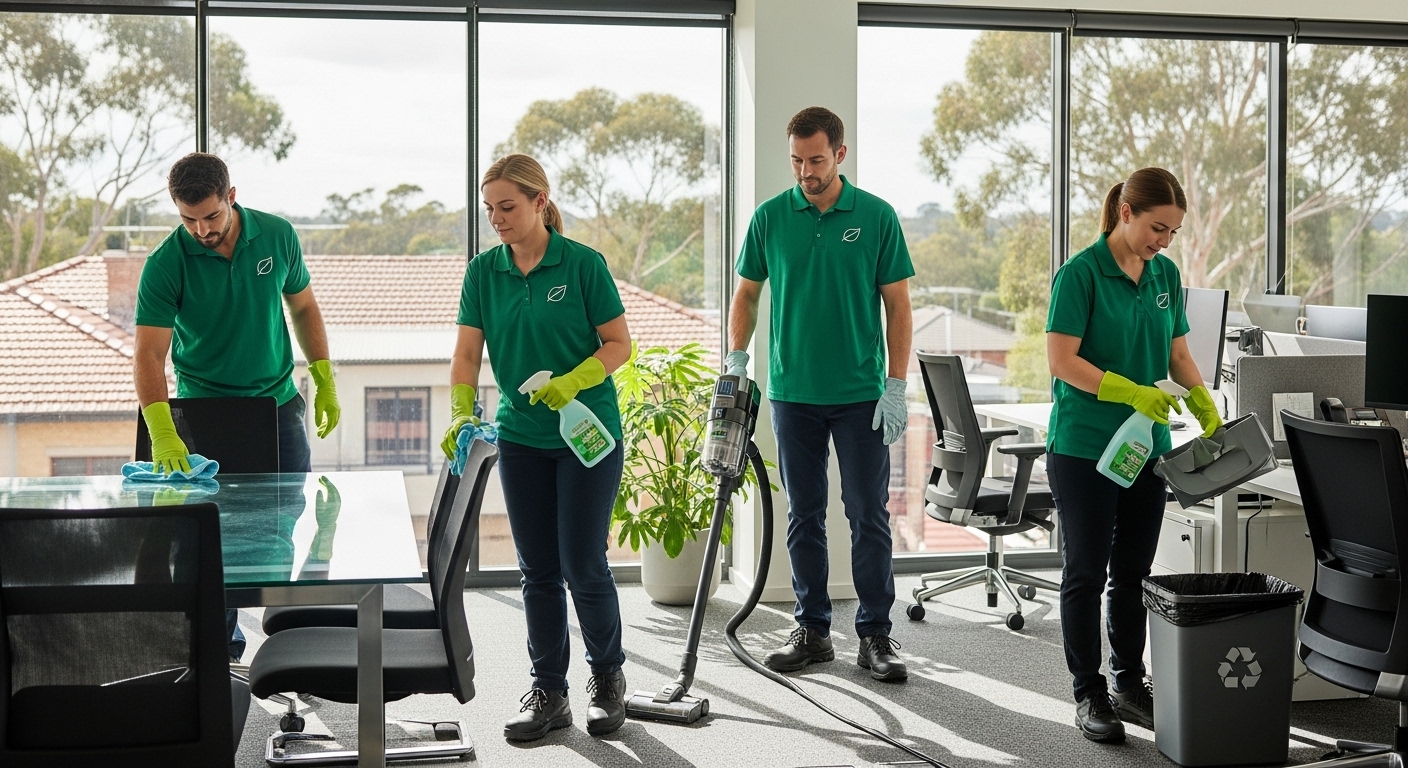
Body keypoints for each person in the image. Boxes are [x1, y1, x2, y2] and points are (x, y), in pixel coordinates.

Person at [444, 153, 632, 741]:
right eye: (489, 209)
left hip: (586, 436)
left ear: (539, 202)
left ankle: (608, 680)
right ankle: (549, 691)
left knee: (583, 562)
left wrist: (574, 379)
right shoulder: (484, 272)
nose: (496, 218)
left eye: (507, 206)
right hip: (522, 437)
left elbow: (618, 343)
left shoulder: (581, 264)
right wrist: (461, 410)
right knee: (538, 570)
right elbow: (467, 354)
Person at [725, 106, 914, 682]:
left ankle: (876, 635)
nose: (805, 172)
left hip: (861, 395)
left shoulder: (877, 216)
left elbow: (898, 307)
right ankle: (812, 631)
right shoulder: (770, 217)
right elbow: (747, 293)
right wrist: (736, 359)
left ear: (840, 155)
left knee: (867, 514)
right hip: (792, 393)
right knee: (803, 514)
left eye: (815, 160)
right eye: (796, 161)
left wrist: (896, 383)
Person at [134, 152, 341, 661]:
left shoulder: (277, 235)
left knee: (284, 522)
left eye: (210, 216)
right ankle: (219, 653)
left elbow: (303, 306)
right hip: (205, 414)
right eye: (188, 219)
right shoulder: (166, 263)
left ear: (231, 196)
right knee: (209, 541)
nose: (201, 230)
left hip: (278, 405)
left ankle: (296, 641)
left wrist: (324, 377)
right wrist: (163, 431)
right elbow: (149, 355)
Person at [1045, 167, 1222, 743]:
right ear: (1126, 213)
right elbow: (1062, 361)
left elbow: (1177, 352)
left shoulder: (1164, 274)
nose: (1164, 241)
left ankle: (1127, 682)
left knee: (1133, 573)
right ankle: (1088, 692)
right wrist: (1128, 390)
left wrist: (1202, 398)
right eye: (1156, 228)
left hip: (1147, 449)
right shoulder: (1080, 274)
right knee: (1085, 572)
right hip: (1085, 448)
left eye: (1172, 232)